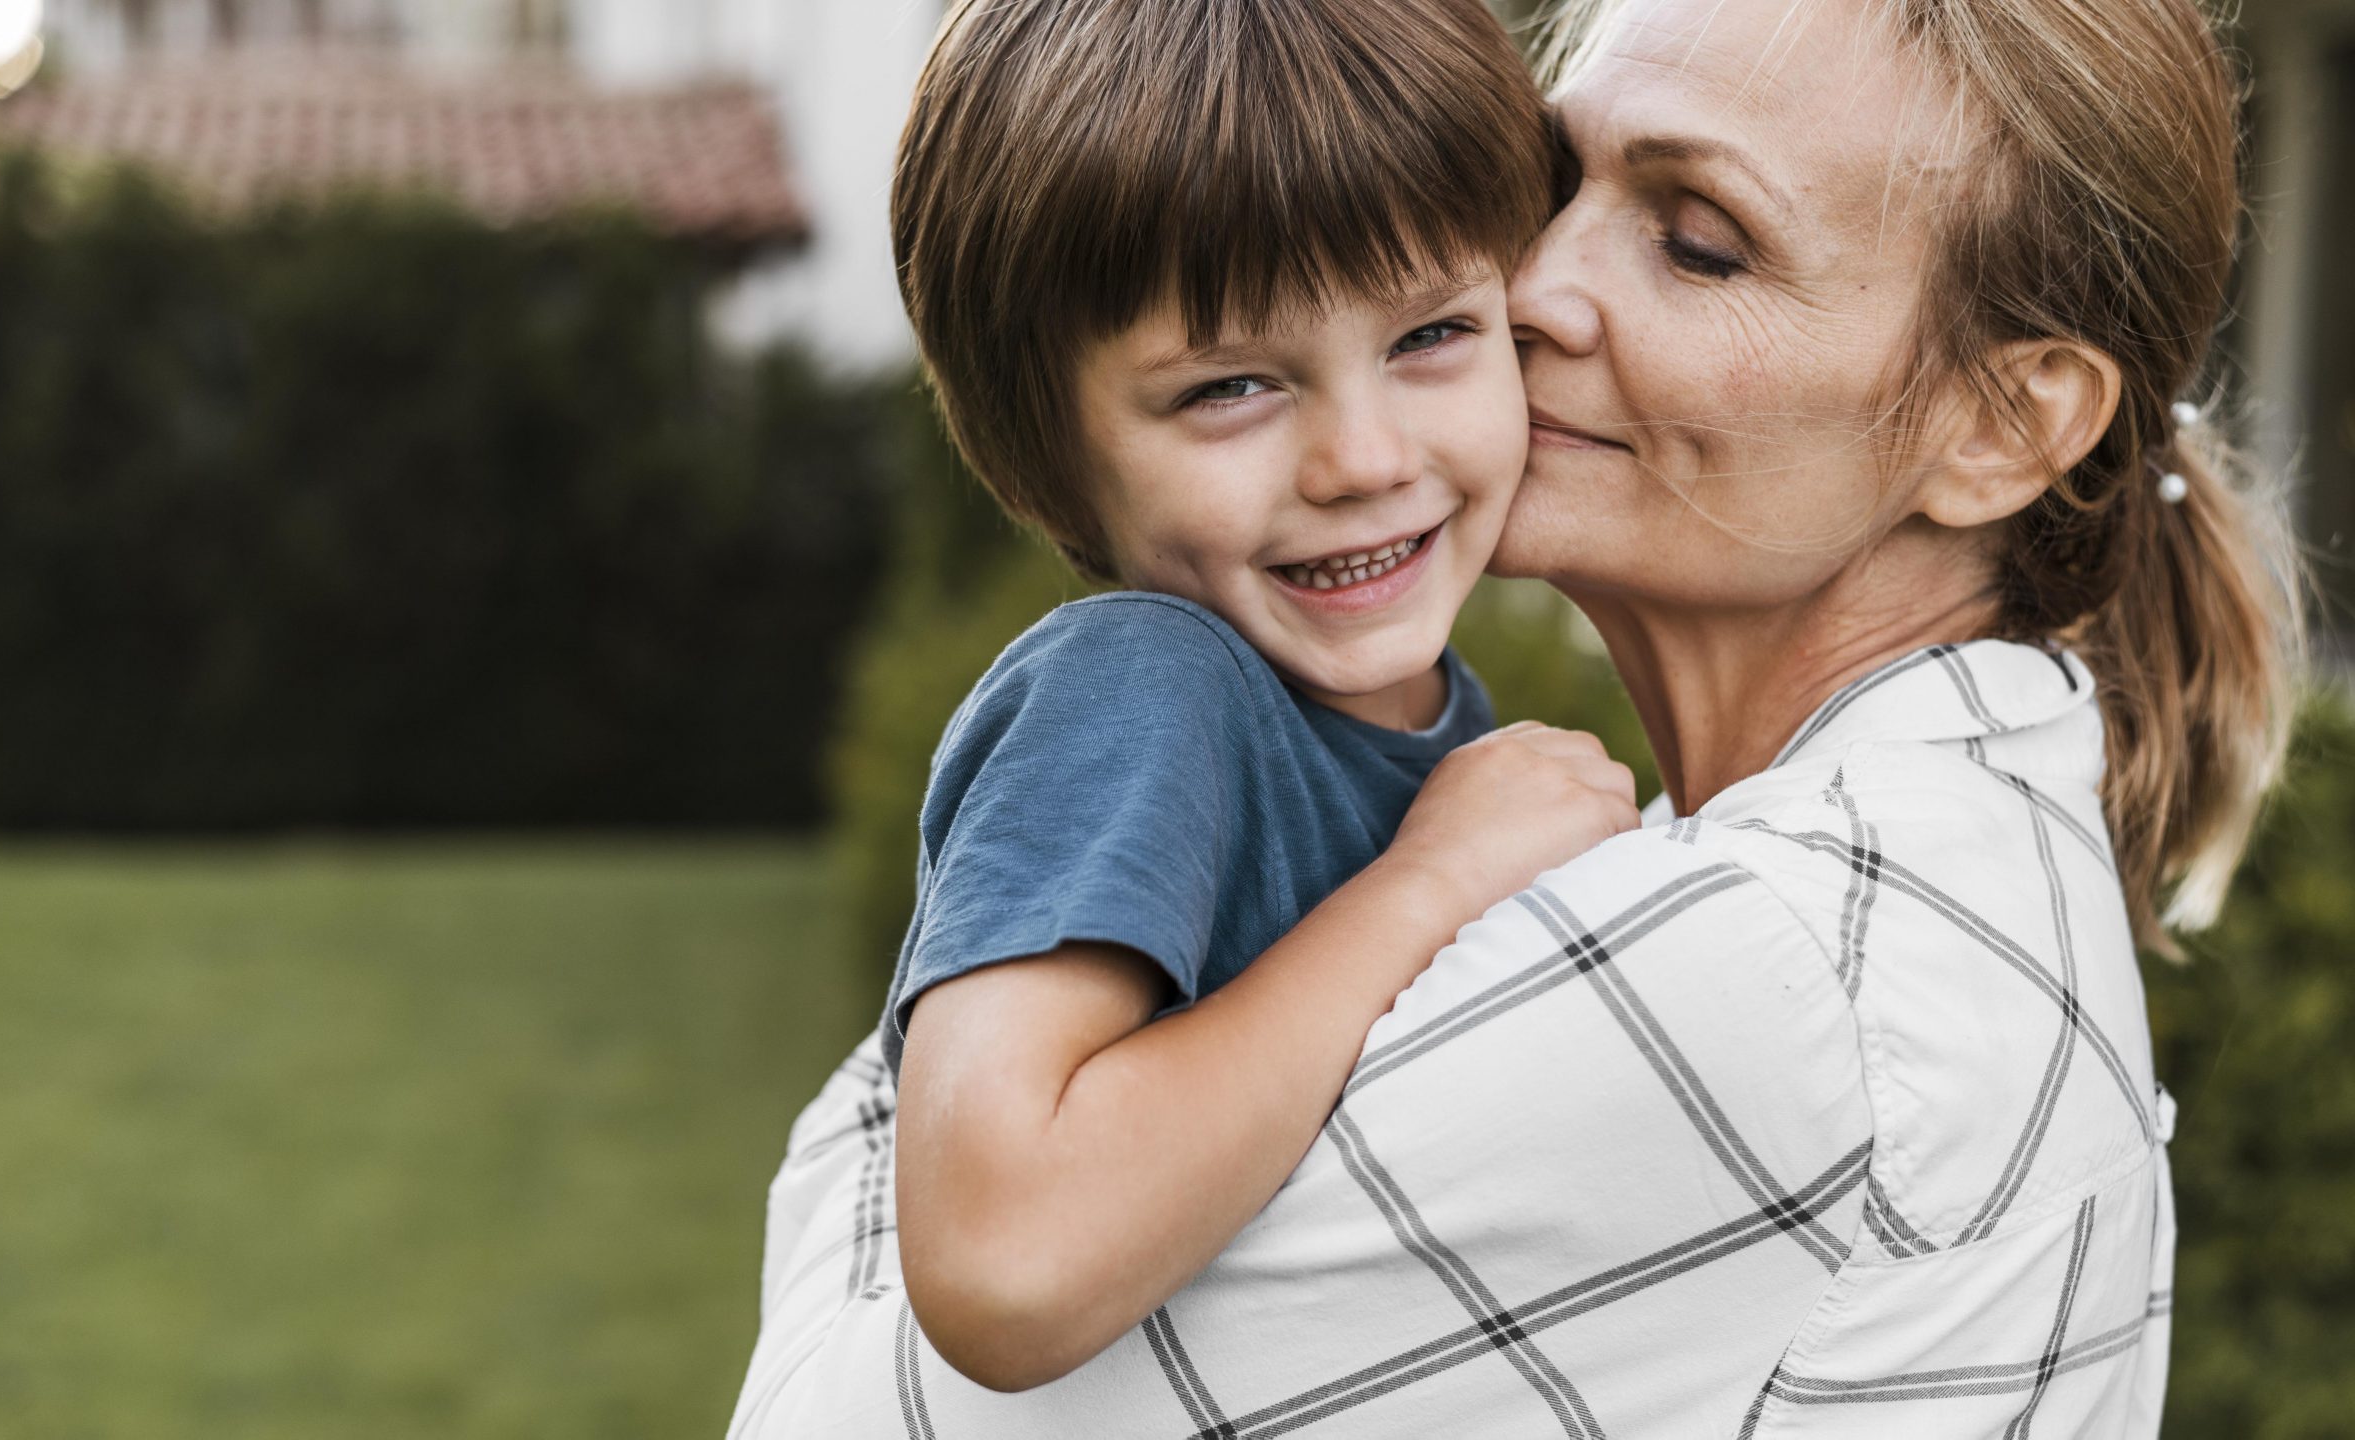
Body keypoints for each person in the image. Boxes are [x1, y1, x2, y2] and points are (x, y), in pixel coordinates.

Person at [730, 0, 2303, 1433]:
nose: (1527, 287)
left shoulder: (1774, 981)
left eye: (1697, 240)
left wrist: (863, 1128)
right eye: (1554, 181)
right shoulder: (1912, 854)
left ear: (1999, 425)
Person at [805, 0, 1628, 1399]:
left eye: (1432, 332)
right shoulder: (1147, 691)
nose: (1362, 458)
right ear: (1055, 458)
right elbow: (1004, 1256)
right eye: (1231, 386)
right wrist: (1429, 887)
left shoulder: (1441, 736)